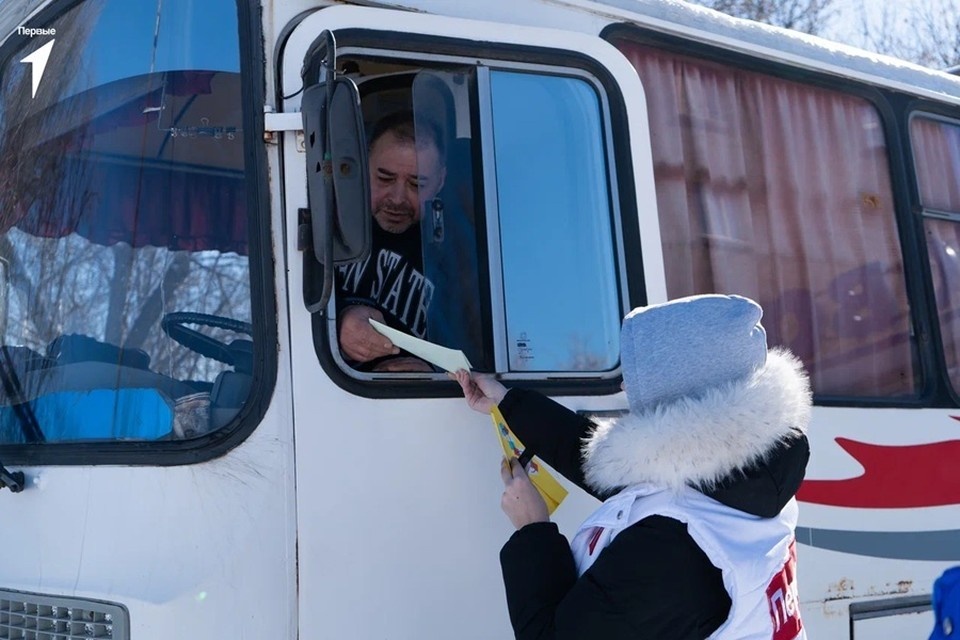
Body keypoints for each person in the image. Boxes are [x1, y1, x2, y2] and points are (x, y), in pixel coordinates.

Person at [454, 294, 812, 639]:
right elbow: (620, 465)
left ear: (679, 389)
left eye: (639, 375)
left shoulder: (674, 553)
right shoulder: (749, 477)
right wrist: (510, 404)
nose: (625, 384)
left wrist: (533, 528)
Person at [335, 110, 446, 372]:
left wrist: (436, 374)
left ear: (441, 181)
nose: (397, 198)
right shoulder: (329, 225)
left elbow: (479, 352)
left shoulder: (462, 251)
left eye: (417, 184)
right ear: (363, 166)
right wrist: (337, 323)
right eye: (385, 179)